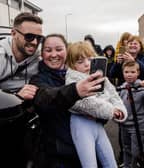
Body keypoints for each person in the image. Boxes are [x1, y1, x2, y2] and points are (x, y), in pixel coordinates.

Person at [0, 11, 105, 167]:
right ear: (13, 33)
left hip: (75, 142)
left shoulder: (40, 58)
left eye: (39, 38)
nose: (35, 42)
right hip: (0, 126)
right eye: (29, 36)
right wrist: (15, 95)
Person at [29, 34, 105, 168]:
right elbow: (46, 98)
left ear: (67, 50)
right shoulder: (38, 79)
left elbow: (103, 104)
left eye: (59, 49)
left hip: (91, 150)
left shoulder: (81, 74)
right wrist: (75, 91)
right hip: (60, 156)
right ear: (42, 54)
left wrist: (103, 114)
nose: (54, 54)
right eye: (48, 50)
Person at [65, 41, 127, 168]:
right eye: (80, 61)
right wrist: (112, 110)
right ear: (72, 64)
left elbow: (113, 94)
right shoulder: (72, 79)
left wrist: (120, 110)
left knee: (111, 163)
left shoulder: (99, 76)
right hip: (81, 124)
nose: (87, 64)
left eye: (89, 59)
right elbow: (84, 103)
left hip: (97, 124)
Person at [119, 61, 144, 168]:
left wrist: (141, 85)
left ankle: (134, 165)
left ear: (138, 73)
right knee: (126, 148)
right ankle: (127, 165)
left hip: (138, 126)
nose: (129, 74)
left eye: (132, 72)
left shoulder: (142, 89)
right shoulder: (122, 88)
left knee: (136, 151)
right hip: (124, 125)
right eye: (126, 72)